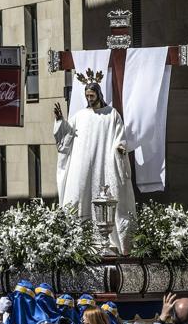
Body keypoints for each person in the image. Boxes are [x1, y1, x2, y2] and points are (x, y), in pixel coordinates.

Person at [53, 73, 136, 255]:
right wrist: (60, 121)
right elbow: (66, 138)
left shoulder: (111, 114)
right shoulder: (80, 115)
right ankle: (77, 241)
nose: (89, 99)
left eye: (92, 95)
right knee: (78, 196)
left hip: (105, 163)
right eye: (87, 96)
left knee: (108, 198)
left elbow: (119, 136)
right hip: (81, 165)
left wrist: (120, 147)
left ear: (98, 94)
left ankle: (111, 241)